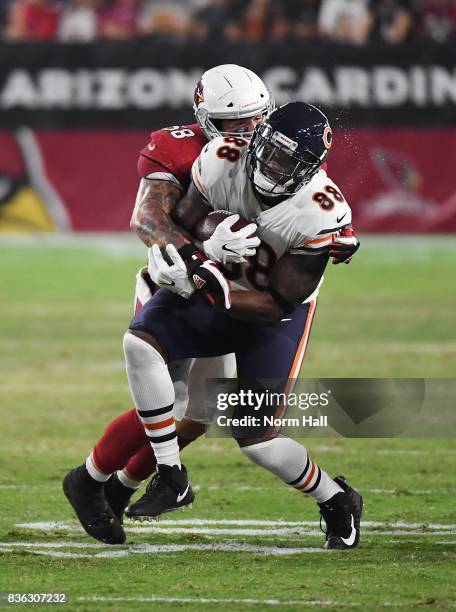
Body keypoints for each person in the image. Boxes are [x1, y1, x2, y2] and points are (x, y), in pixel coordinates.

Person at [123, 102, 363, 550]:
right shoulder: (222, 156)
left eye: (287, 161)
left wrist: (219, 288)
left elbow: (279, 302)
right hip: (214, 283)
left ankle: (336, 499)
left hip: (270, 315)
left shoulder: (320, 212)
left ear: (310, 169)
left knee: (256, 440)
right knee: (140, 343)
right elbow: (188, 219)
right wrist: (203, 250)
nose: (272, 163)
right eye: (270, 149)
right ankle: (171, 474)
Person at [62, 64, 273, 545]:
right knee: (169, 399)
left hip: (231, 293)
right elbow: (149, 217)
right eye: (237, 126)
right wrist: (196, 254)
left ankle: (118, 488)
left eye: (258, 120)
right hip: (177, 284)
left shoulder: (277, 149)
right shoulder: (177, 147)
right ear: (206, 120)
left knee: (201, 412)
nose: (251, 134)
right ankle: (89, 480)